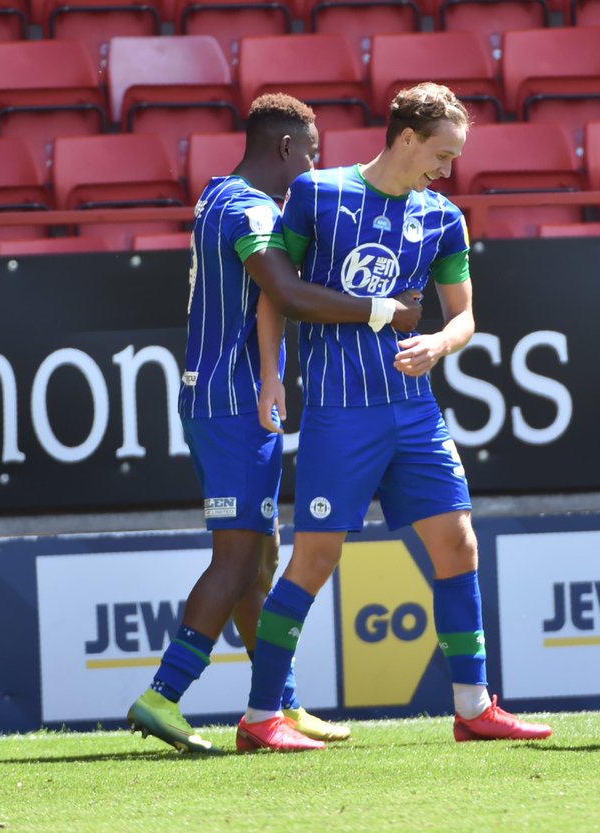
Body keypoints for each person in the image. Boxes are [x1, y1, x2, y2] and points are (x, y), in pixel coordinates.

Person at [236, 82, 553, 752]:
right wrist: (270, 371)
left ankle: (473, 706)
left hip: (414, 413)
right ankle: (261, 715)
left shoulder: (442, 217)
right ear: (406, 137)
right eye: (442, 152)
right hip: (339, 413)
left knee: (458, 543)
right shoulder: (317, 194)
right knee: (314, 558)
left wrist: (439, 342)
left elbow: (465, 313)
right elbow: (275, 292)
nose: (449, 168)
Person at [127, 93, 423, 753]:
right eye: (312, 153)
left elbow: (266, 299)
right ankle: (163, 695)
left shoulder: (215, 194)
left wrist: (269, 372)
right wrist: (382, 310)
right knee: (237, 559)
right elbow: (285, 293)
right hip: (230, 407)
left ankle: (280, 706)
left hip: (223, 398)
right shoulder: (249, 209)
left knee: (258, 559)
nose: (315, 167)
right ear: (286, 148)